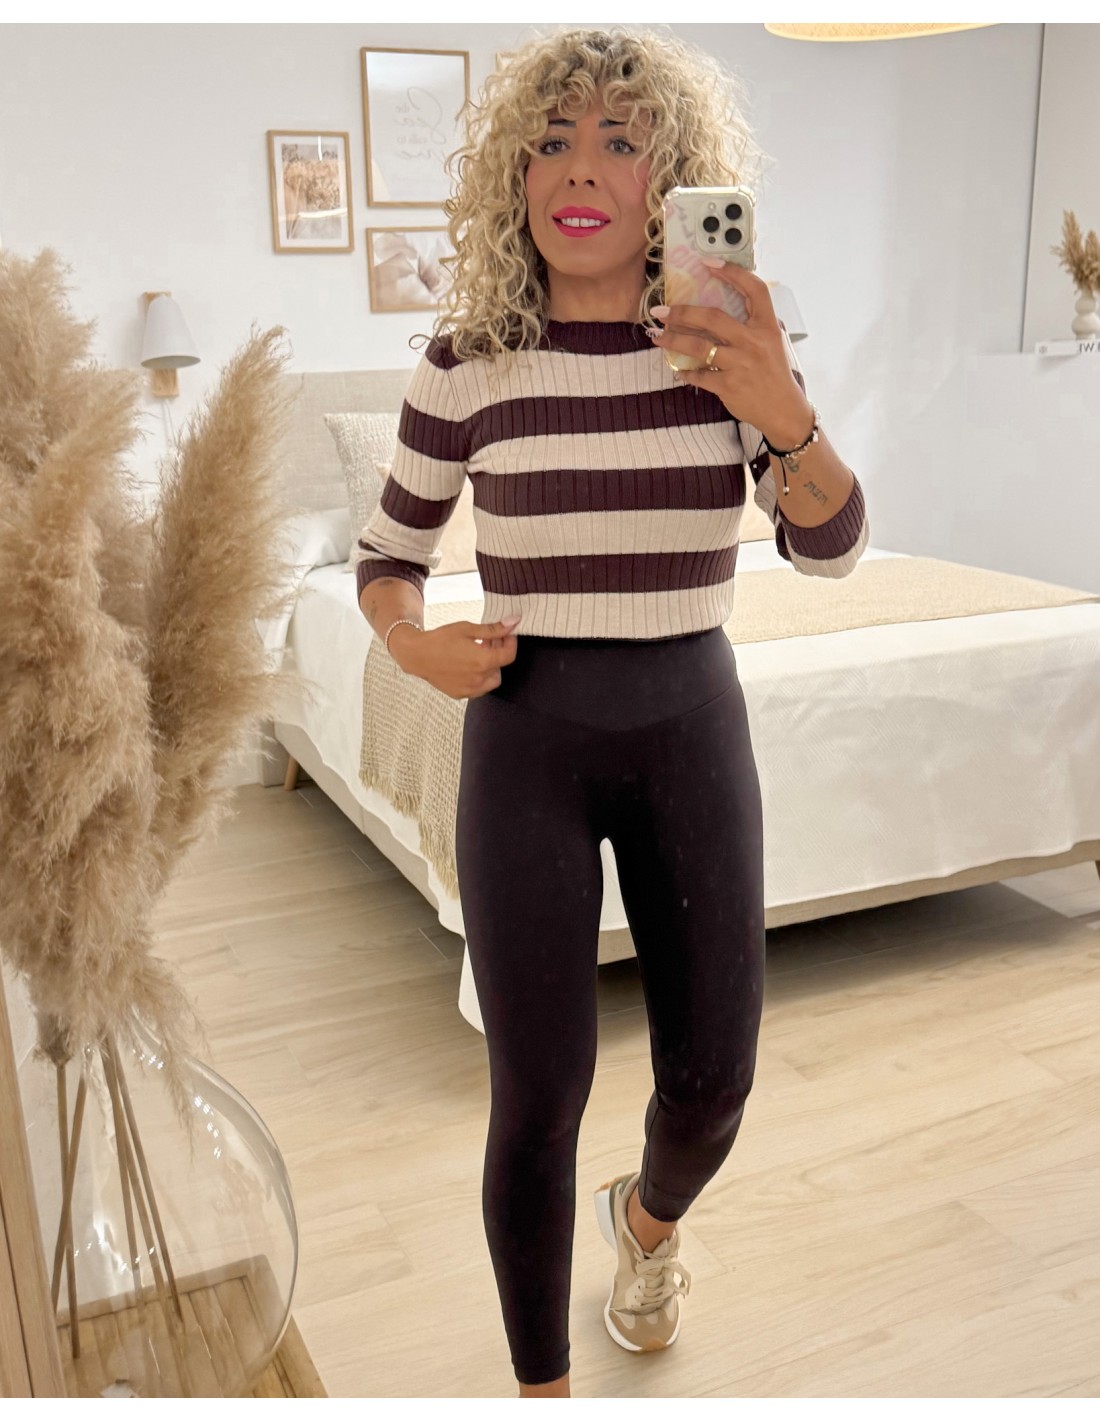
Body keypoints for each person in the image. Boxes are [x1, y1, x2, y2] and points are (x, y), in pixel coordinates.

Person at [354, 26, 869, 1399]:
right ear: (513, 174)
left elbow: (832, 547)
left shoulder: (722, 344)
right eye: (553, 141)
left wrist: (782, 407)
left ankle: (645, 1224)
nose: (581, 171)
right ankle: (544, 1391)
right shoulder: (468, 360)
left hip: (691, 720)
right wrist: (413, 644)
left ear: (673, 178)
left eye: (621, 143)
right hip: (525, 739)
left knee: (713, 1084)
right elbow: (387, 554)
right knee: (537, 1100)